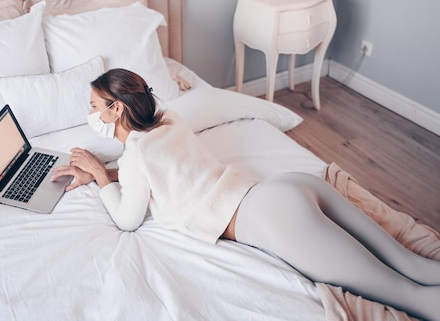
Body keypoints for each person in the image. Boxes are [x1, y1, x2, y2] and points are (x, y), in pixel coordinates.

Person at [51, 68, 440, 320]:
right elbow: (155, 170)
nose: (90, 114)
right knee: (414, 266)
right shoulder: (169, 122)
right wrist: (110, 172)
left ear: (115, 109)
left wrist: (102, 176)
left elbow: (127, 220)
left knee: (406, 295)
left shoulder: (136, 157)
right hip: (289, 186)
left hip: (274, 219)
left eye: (93, 107)